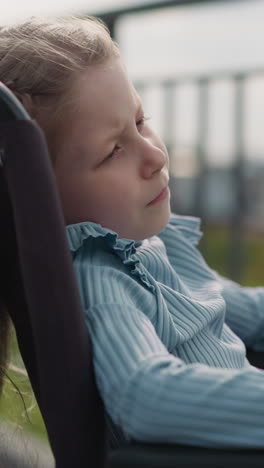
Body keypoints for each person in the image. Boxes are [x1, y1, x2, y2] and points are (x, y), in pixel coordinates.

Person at [1, 16, 264, 450]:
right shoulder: (104, 281)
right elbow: (145, 394)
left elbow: (248, 313)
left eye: (141, 122)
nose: (156, 155)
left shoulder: (149, 252)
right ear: (42, 198)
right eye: (113, 152)